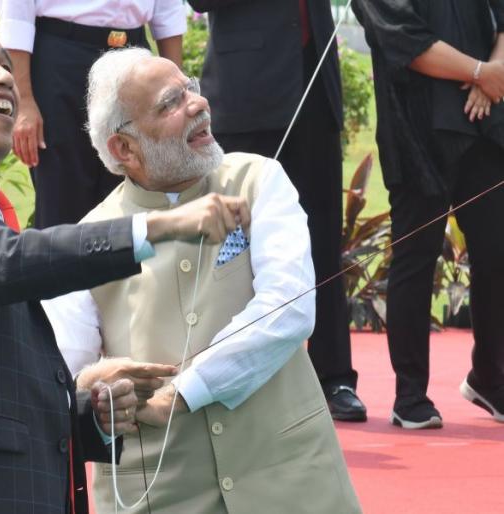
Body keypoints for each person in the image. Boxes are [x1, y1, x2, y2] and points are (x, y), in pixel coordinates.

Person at [0, 10, 250, 513]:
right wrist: (157, 227)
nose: (3, 76)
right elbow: (4, 263)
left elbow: (4, 381)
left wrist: (89, 411)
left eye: (4, 62)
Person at [44, 48, 361, 514]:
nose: (197, 104)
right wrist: (98, 387)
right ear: (124, 148)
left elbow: (289, 310)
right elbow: (60, 380)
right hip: (156, 494)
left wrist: (180, 395)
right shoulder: (90, 240)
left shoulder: (260, 178)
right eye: (169, 104)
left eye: (189, 88)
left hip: (290, 480)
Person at [185, 0, 367, 421]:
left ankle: (335, 377)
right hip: (246, 88)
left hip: (314, 84)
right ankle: (222, 370)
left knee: (323, 240)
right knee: (232, 242)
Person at [352, 0, 504, 428]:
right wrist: (479, 72)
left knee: (497, 253)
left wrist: (494, 72)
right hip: (416, 129)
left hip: (483, 120)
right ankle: (410, 394)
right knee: (416, 257)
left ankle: (490, 378)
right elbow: (403, 38)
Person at [0, 0, 186, 229]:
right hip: (61, 58)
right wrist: (24, 100)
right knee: (62, 200)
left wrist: (176, 92)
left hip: (134, 58)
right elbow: (16, 14)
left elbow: (168, 12)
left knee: (136, 194)